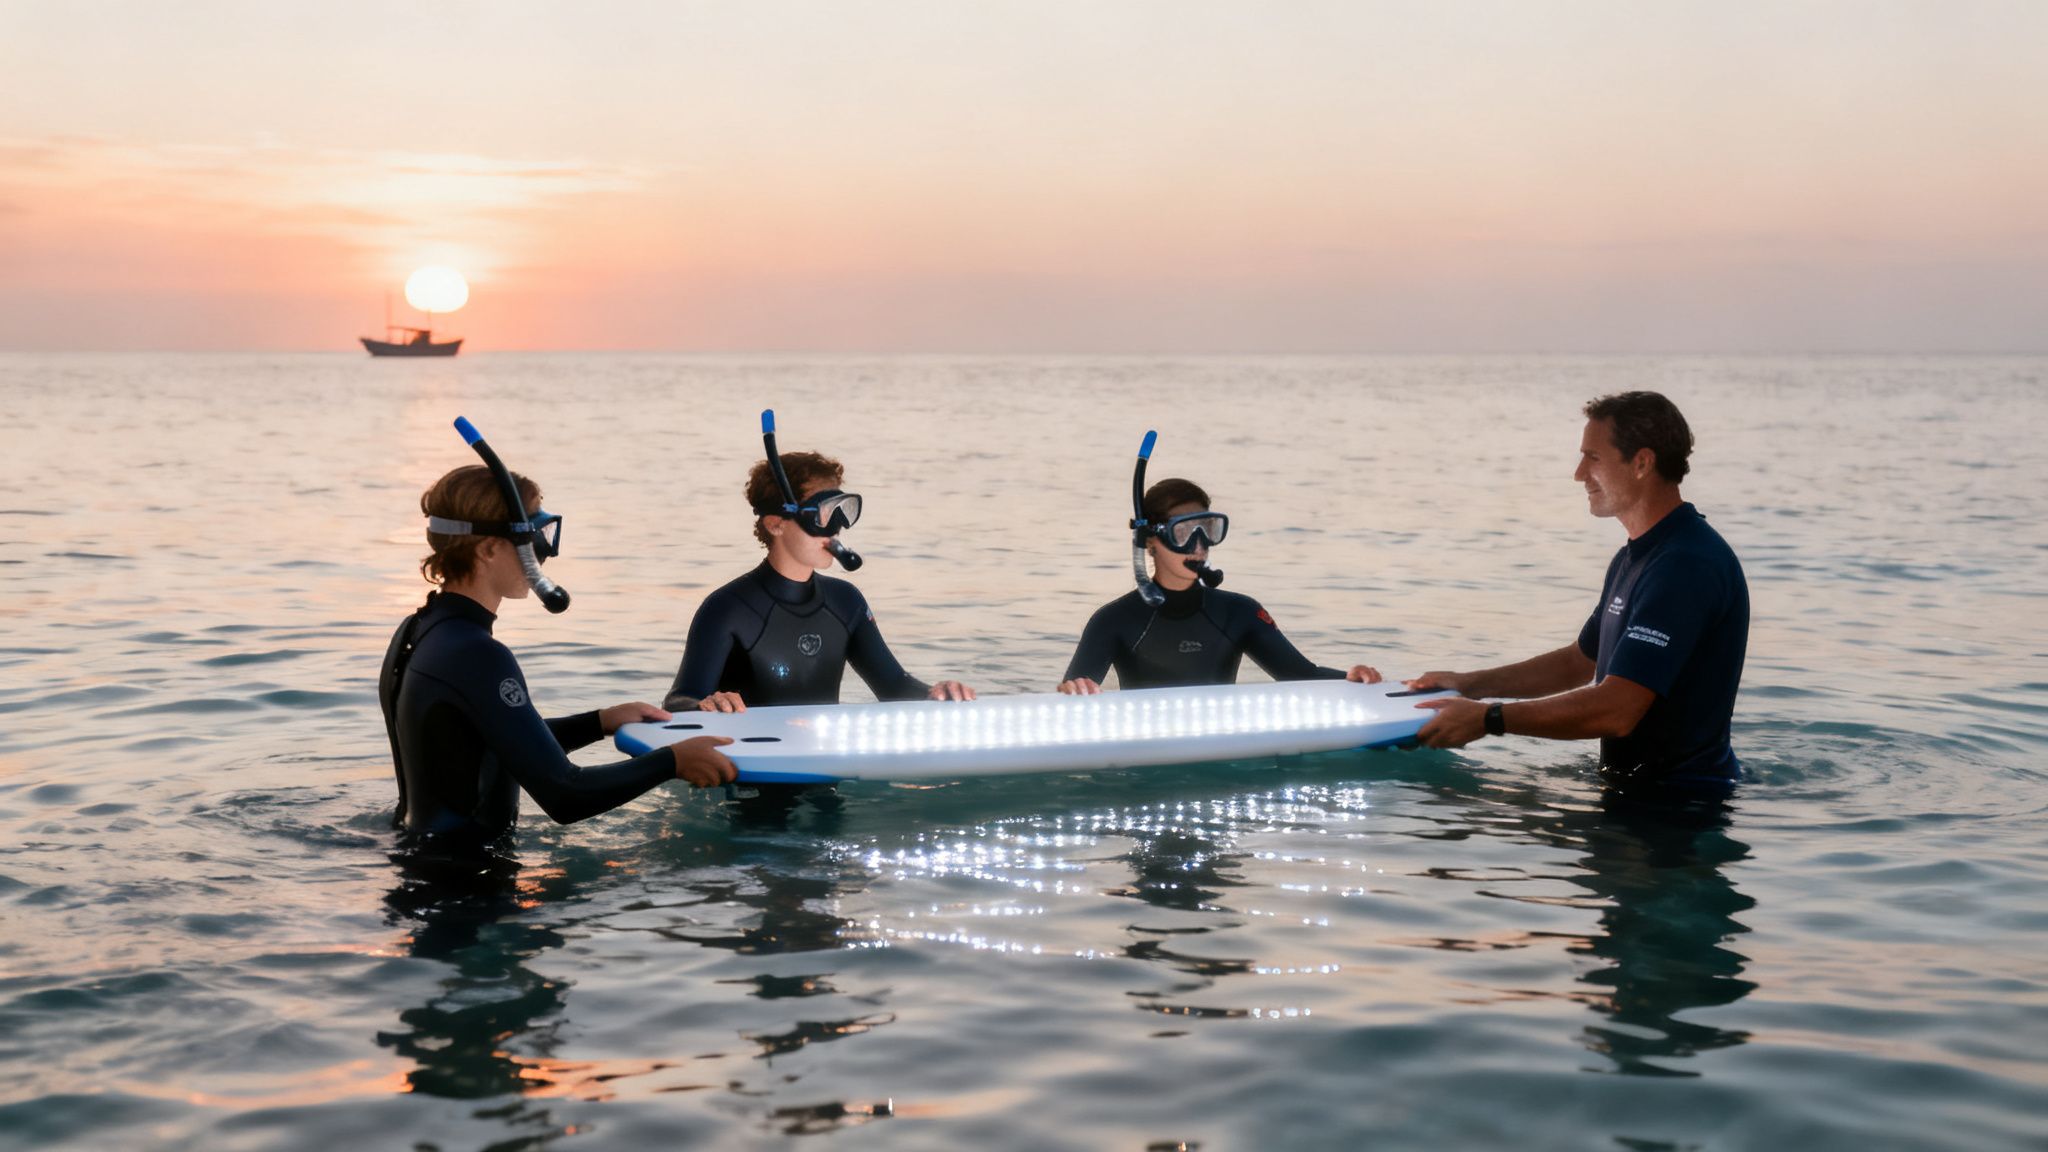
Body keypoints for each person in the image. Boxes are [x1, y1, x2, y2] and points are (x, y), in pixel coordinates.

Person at [380, 431, 736, 848]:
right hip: (467, 886)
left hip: (419, 861)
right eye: (535, 536)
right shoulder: (478, 654)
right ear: (490, 549)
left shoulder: (419, 629)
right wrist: (673, 761)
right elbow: (565, 795)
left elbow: (491, 740)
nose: (544, 553)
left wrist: (600, 721)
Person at [1411, 391, 1749, 789]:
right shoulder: (1638, 555)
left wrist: (1489, 719)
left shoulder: (1685, 565)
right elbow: (1579, 661)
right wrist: (1467, 684)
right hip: (1637, 794)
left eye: (1593, 458)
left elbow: (1617, 710)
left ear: (1641, 463)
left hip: (1679, 809)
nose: (1578, 474)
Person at [664, 416, 974, 713]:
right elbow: (679, 700)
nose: (837, 526)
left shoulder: (846, 602)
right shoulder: (726, 608)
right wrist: (704, 705)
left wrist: (935, 694)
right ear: (775, 524)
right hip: (746, 760)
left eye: (842, 510)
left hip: (820, 756)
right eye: (823, 513)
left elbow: (893, 687)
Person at [1058, 471, 1381, 693]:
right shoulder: (1114, 620)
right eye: (1184, 532)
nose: (1199, 545)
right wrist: (1075, 689)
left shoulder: (1239, 612)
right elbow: (1075, 689)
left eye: (1207, 530)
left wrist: (1349, 679)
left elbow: (1299, 675)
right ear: (1150, 541)